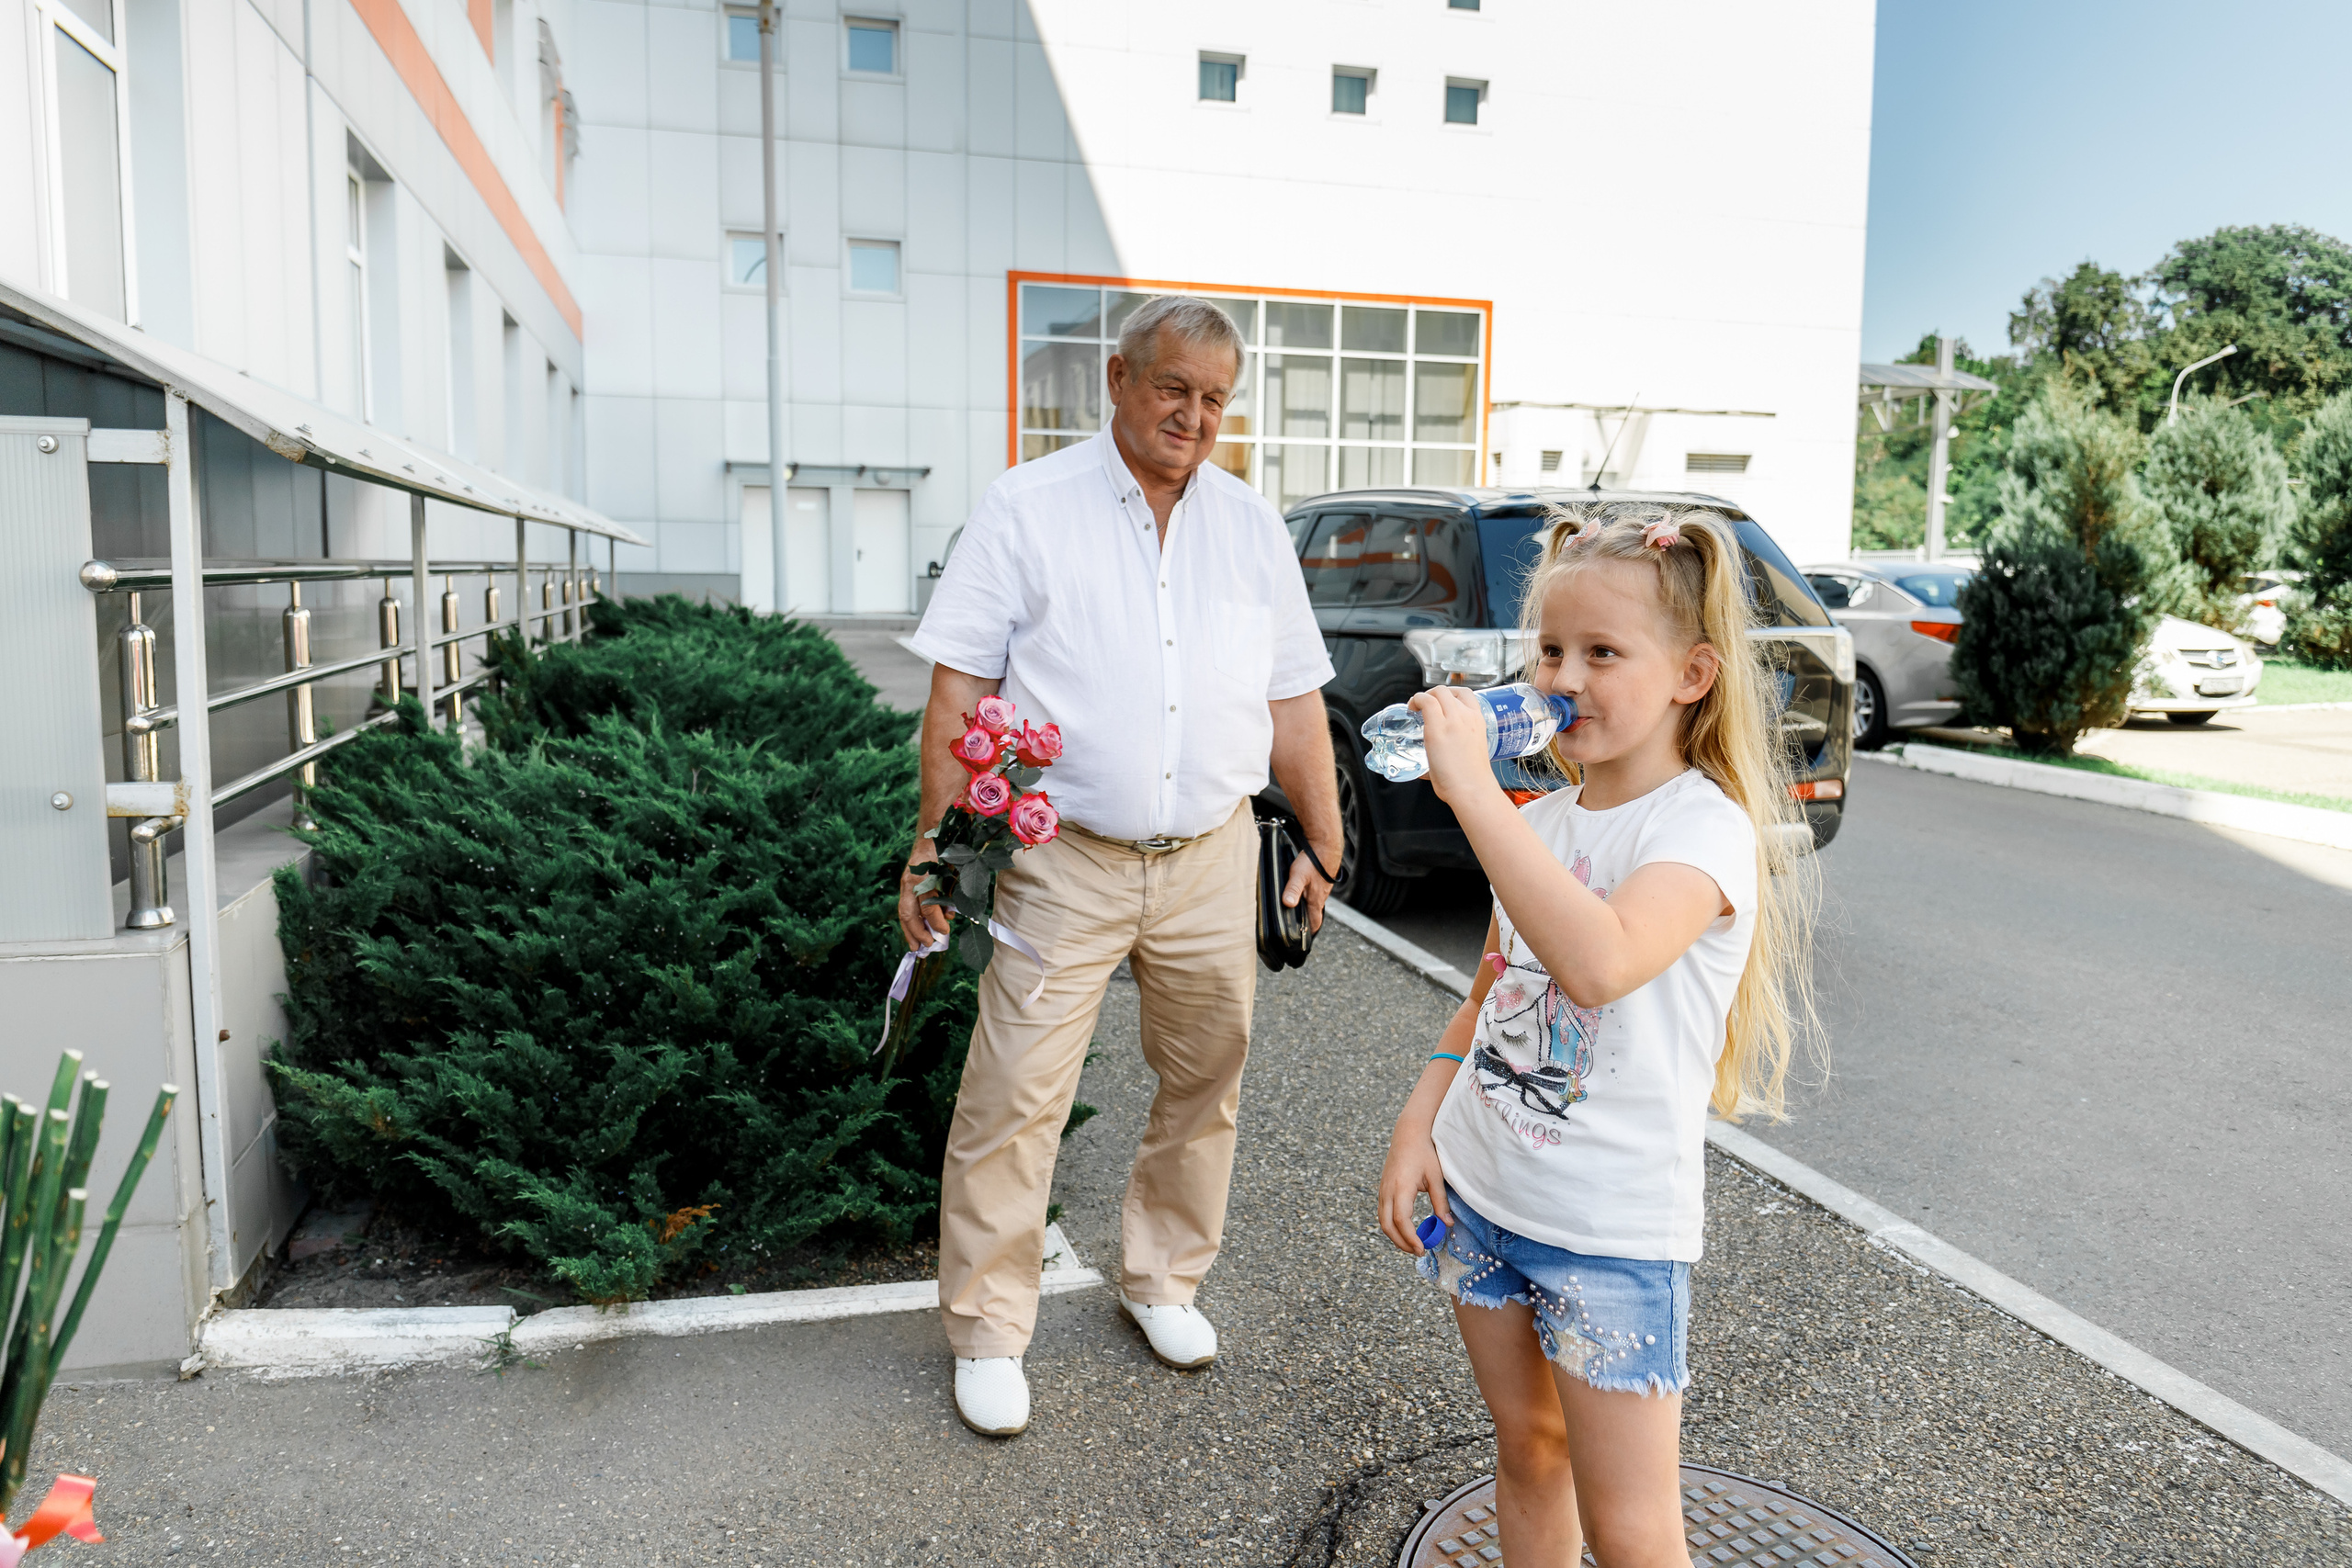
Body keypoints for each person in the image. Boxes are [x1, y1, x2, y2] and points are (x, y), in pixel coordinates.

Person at [902, 294, 1344, 1438]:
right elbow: (958, 689)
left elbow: (1293, 700)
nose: (1193, 417)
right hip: (1063, 863)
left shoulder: (1251, 526)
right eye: (1172, 390)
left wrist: (1327, 837)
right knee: (1014, 1092)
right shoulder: (1026, 507)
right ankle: (990, 1330)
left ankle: (1161, 1281)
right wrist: (929, 853)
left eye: (1213, 400)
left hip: (1210, 854)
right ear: (1117, 379)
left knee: (1206, 1079)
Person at [1375, 502, 1815, 1567]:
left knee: (1629, 1530)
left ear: (1691, 675)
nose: (1563, 677)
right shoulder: (1539, 824)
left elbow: (1600, 959)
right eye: (1551, 651)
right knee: (1525, 1454)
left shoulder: (1701, 831)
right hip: (1482, 1203)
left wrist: (1473, 792)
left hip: (1610, 1243)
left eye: (1602, 653)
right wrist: (1416, 1124)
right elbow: (1490, 991)